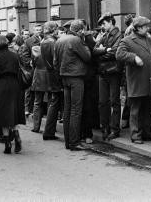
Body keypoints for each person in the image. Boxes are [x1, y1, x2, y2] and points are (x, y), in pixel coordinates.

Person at [116, 16, 151, 144]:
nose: (148, 28)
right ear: (139, 28)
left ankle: (146, 132)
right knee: (136, 109)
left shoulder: (150, 41)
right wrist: (133, 57)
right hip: (136, 80)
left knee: (148, 108)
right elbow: (119, 54)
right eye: (145, 26)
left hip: (149, 79)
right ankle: (135, 135)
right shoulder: (127, 40)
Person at [54, 20, 92, 151]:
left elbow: (55, 62)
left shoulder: (59, 40)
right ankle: (74, 142)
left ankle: (68, 141)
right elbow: (87, 56)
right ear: (80, 30)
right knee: (76, 110)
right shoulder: (76, 40)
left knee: (67, 110)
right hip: (76, 78)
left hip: (64, 77)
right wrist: (85, 43)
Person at [0, 35, 25, 154]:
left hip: (1, 85)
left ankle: (7, 144)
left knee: (3, 113)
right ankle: (16, 134)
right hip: (15, 85)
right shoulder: (15, 55)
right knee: (13, 111)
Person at [93, 13, 122, 141]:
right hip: (103, 72)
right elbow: (94, 51)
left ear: (111, 21)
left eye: (104, 24)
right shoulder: (104, 35)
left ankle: (114, 128)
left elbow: (115, 53)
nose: (103, 27)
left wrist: (102, 52)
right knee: (103, 102)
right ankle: (105, 127)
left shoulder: (118, 35)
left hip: (113, 71)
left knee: (114, 101)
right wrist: (105, 50)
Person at [40, 21, 63, 140]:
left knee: (53, 101)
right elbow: (56, 61)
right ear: (53, 30)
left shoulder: (43, 41)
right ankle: (49, 132)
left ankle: (49, 131)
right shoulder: (52, 42)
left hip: (49, 73)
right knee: (55, 102)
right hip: (55, 73)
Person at [19, 24, 42, 116]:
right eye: (37, 29)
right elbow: (25, 55)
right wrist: (29, 62)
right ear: (34, 30)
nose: (39, 31)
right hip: (31, 69)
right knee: (28, 90)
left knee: (37, 90)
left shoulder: (43, 38)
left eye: (40, 29)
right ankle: (27, 108)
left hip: (41, 68)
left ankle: (34, 109)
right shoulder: (29, 41)